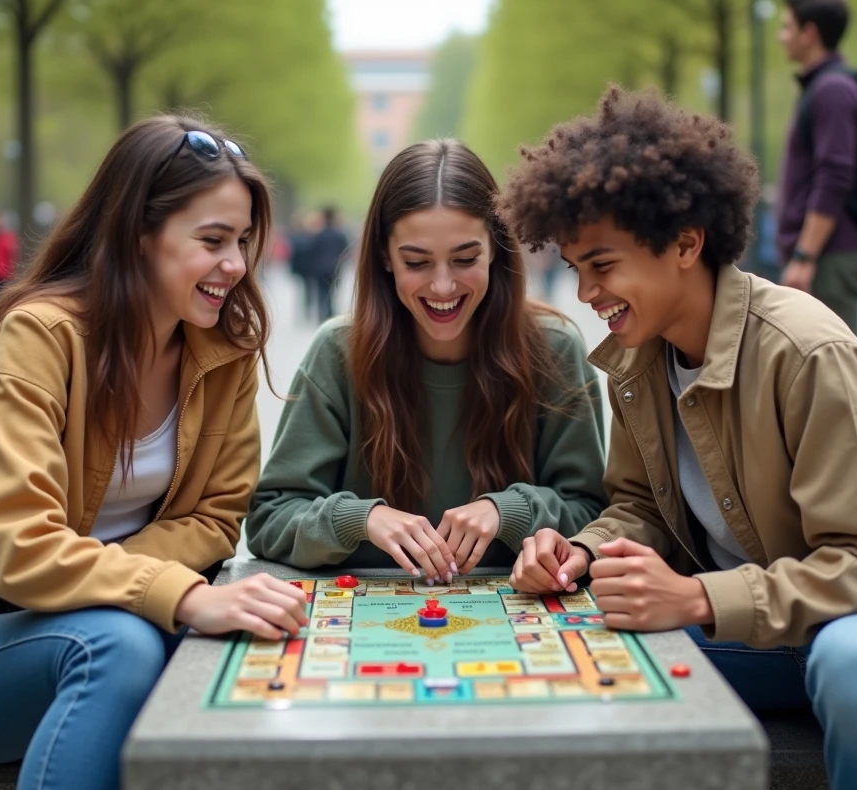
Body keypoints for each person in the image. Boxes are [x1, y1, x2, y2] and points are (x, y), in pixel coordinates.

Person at [498, 86, 857, 790]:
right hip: (787, 631)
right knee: (573, 642)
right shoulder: (638, 356)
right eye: (576, 269)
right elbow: (640, 506)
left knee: (853, 657)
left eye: (603, 264)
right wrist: (583, 551)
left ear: (686, 243)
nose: (586, 293)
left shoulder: (805, 352)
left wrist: (697, 596)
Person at [0, 117, 308, 790]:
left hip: (113, 619)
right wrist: (172, 593)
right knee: (119, 644)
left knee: (238, 653)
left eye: (241, 241)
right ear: (138, 237)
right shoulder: (41, 335)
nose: (236, 264)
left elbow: (216, 515)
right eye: (212, 241)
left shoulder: (224, 345)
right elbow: (18, 546)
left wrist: (140, 586)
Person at [247, 140, 607, 581]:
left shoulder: (554, 348)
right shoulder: (339, 350)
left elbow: (594, 516)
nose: (442, 287)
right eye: (416, 262)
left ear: (495, 248)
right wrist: (360, 519)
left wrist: (509, 511)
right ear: (384, 256)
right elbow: (271, 519)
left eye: (465, 259)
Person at [776, 0, 857, 337]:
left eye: (787, 27)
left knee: (840, 369)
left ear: (810, 33)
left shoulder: (832, 90)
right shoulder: (825, 86)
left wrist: (805, 255)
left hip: (830, 254)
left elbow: (835, 175)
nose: (780, 36)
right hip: (827, 252)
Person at [304, 206, 349, 321]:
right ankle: (330, 312)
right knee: (332, 292)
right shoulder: (340, 234)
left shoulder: (319, 234)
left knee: (321, 292)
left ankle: (322, 315)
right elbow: (345, 251)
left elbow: (312, 251)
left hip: (320, 268)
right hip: (335, 267)